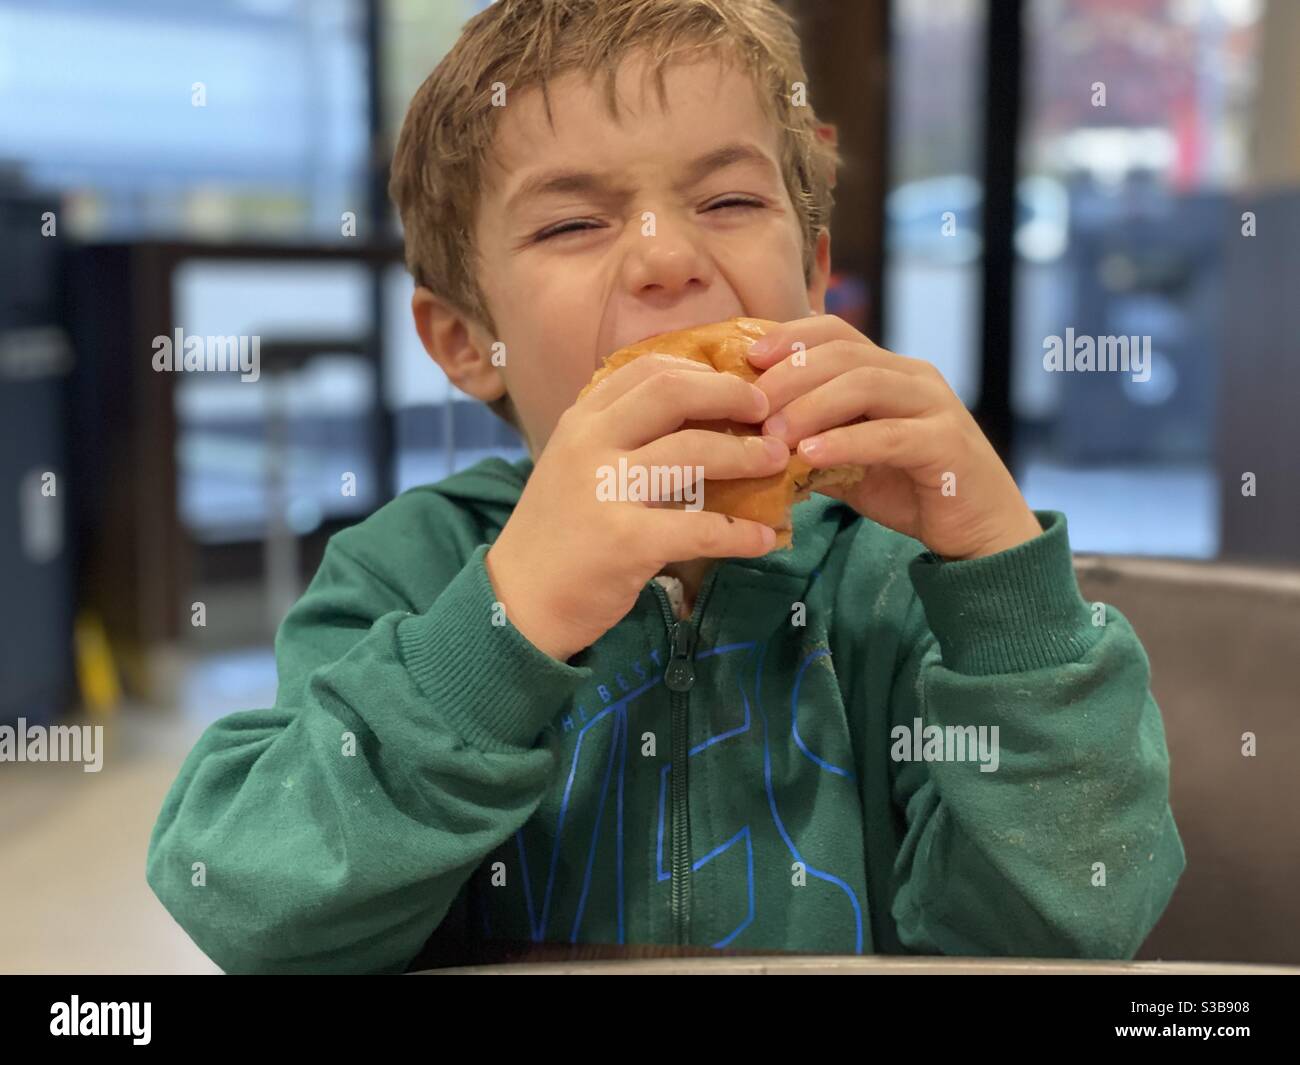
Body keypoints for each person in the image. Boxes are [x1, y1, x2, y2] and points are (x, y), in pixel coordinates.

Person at [146, 0, 1185, 974]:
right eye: (571, 224)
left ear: (816, 278)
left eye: (728, 200)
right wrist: (507, 623)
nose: (665, 257)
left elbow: (1068, 931)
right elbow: (253, 902)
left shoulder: (902, 588)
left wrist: (1005, 588)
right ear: (465, 341)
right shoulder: (405, 570)